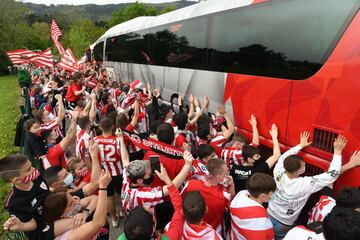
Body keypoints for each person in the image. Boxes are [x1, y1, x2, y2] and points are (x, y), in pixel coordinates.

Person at [268, 133, 348, 239]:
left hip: (269, 213)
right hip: (284, 223)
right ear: (300, 171)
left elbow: (283, 157)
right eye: (303, 166)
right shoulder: (305, 184)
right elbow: (332, 175)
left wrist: (300, 145)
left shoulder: (277, 171)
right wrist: (337, 152)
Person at [1, 154, 74, 240]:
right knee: (76, 222)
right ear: (17, 180)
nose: (34, 169)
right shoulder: (14, 203)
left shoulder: (36, 178)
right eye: (28, 169)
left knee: (92, 199)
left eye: (31, 166)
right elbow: (33, 225)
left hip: (52, 213)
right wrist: (22, 226)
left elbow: (47, 194)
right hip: (42, 229)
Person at [43, 170, 111, 240]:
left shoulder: (70, 211)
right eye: (71, 203)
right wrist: (103, 188)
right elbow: (99, 222)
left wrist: (85, 213)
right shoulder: (66, 237)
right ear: (61, 214)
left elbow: (94, 198)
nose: (76, 201)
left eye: (72, 198)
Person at [181, 157, 235, 236]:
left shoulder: (190, 183)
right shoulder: (224, 196)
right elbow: (233, 206)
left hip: (188, 228)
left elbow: (179, 202)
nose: (227, 175)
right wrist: (232, 186)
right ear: (219, 178)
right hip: (214, 231)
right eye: (226, 173)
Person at [230, 124, 280, 193]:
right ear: (250, 160)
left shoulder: (234, 168)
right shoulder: (256, 171)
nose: (260, 157)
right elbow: (276, 155)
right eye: (257, 156)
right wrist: (274, 137)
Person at [94, 117, 123, 227]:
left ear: (100, 127)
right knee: (122, 194)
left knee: (109, 197)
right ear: (112, 127)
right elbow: (123, 155)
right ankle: (124, 212)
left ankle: (114, 219)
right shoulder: (117, 140)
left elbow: (94, 157)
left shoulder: (95, 140)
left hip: (105, 174)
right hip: (118, 172)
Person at [230, 173, 276, 240]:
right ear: (263, 196)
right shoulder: (260, 220)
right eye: (271, 194)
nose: (273, 195)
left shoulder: (238, 199)